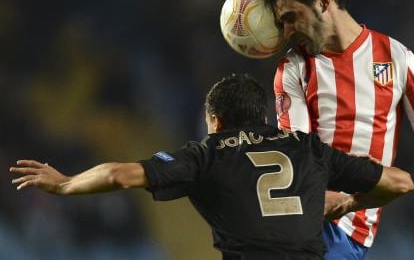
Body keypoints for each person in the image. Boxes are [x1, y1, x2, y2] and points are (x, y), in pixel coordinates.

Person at [10, 74, 413, 260]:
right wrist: (346, 205)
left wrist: (64, 185)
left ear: (216, 120)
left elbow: (120, 173)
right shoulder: (308, 148)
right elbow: (399, 183)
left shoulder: (211, 152)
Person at [264, 0, 414, 259]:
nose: (289, 31)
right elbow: (297, 153)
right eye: (283, 24)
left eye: (292, 17)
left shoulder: (398, 58)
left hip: (355, 231)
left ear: (322, 0)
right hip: (312, 223)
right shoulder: (294, 68)